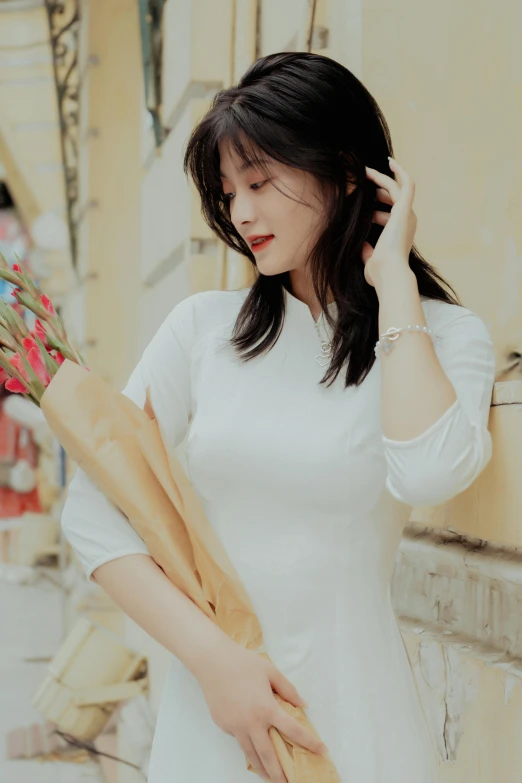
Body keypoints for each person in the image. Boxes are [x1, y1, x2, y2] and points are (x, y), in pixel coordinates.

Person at [60, 52, 496, 782]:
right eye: (229, 192)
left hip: (360, 724)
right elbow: (94, 510)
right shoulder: (202, 330)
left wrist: (392, 285)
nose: (241, 213)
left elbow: (427, 470)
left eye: (260, 182)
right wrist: (214, 663)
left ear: (350, 171)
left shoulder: (444, 336)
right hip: (217, 720)